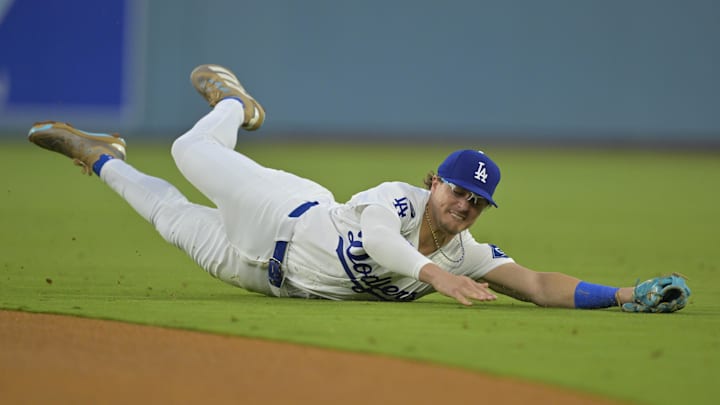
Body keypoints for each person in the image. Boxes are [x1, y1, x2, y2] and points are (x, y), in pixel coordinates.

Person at [28, 64, 690, 312]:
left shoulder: (463, 254)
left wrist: (629, 295)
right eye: (456, 190)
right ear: (435, 182)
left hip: (260, 276)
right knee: (188, 150)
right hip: (282, 212)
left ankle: (102, 156)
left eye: (475, 202)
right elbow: (377, 240)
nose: (462, 206)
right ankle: (235, 102)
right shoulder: (399, 200)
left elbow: (541, 284)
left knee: (168, 215)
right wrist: (434, 274)